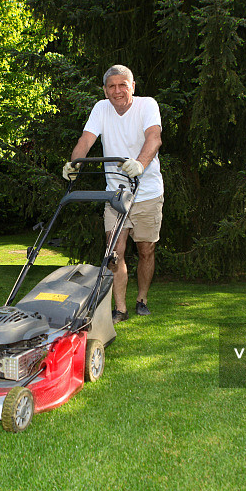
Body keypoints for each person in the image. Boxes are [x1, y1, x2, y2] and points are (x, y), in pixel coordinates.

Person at [62, 64, 163, 323]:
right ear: (105, 90)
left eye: (122, 85)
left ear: (132, 87)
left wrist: (139, 164)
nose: (117, 91)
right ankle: (120, 308)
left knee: (145, 250)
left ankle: (142, 298)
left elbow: (154, 138)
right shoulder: (100, 108)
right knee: (114, 251)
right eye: (112, 86)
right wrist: (75, 164)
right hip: (115, 194)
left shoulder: (147, 105)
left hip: (147, 191)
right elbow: (85, 141)